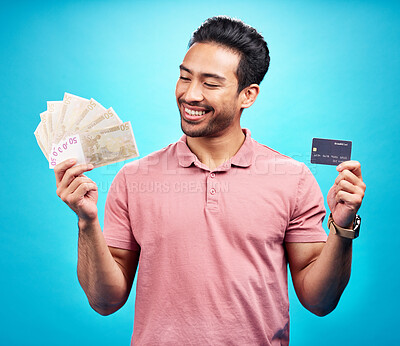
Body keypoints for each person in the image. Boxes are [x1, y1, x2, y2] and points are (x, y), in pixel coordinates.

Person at [54, 16, 366, 345]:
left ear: (248, 95)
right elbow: (105, 302)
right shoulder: (133, 179)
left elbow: (319, 302)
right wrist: (87, 222)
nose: (190, 94)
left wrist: (342, 228)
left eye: (210, 83)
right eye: (184, 77)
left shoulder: (294, 179)